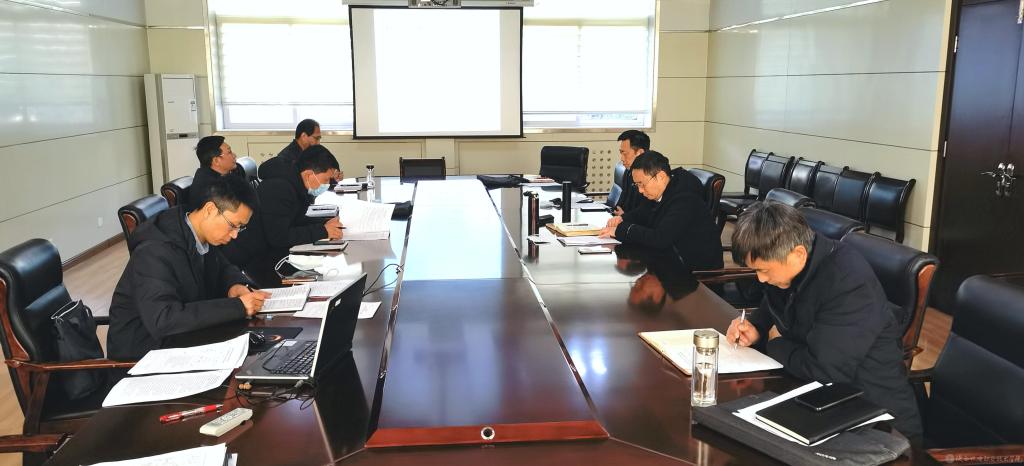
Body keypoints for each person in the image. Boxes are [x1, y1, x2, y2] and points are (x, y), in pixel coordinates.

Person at [725, 202, 923, 442]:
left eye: (764, 270)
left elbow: (825, 371)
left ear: (798, 253)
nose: (761, 279)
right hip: (819, 399)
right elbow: (774, 302)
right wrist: (756, 327)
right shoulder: (793, 265)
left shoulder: (847, 282)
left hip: (875, 422)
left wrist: (774, 343)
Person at [107, 176, 270, 360]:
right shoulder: (154, 250)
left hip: (182, 340)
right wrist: (238, 307)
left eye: (240, 228)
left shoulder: (196, 231)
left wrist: (235, 285)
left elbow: (222, 268)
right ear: (210, 209)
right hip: (144, 356)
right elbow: (163, 319)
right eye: (233, 225)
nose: (235, 235)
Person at [598, 151, 723, 270]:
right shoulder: (664, 189)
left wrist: (621, 230)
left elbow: (660, 238)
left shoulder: (685, 197)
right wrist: (622, 219)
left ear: (661, 177)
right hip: (670, 259)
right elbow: (643, 212)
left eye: (642, 184)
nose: (640, 190)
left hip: (693, 272)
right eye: (637, 185)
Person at [258, 119, 342, 182]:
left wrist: (335, 175)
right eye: (316, 138)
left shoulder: (314, 150)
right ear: (304, 136)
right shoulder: (287, 157)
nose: (318, 142)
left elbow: (330, 164)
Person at [189, 135, 245, 210]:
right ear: (216, 161)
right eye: (229, 152)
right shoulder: (210, 187)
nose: (234, 155)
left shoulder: (231, 172)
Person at [610, 130, 649, 220]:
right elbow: (621, 205)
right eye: (621, 153)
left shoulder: (650, 177)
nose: (622, 158)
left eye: (625, 154)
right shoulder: (628, 172)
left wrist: (625, 216)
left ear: (640, 153)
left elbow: (646, 214)